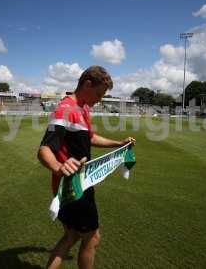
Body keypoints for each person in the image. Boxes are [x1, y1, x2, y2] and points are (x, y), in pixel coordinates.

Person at [38, 65, 136, 269]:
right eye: (99, 93)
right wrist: (58, 166)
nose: (100, 99)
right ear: (87, 84)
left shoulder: (82, 108)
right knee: (92, 238)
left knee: (71, 236)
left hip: (80, 183)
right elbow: (44, 149)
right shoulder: (65, 109)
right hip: (74, 188)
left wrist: (118, 143)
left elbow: (90, 137)